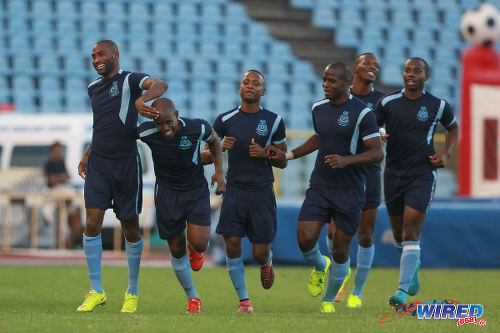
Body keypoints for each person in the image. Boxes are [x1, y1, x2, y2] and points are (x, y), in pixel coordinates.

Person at [267, 62, 384, 314]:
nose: (325, 85)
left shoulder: (363, 113)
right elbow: (319, 138)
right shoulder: (318, 108)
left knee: (341, 249)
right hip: (320, 185)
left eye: (331, 81)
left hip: (351, 189)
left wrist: (347, 160)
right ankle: (321, 266)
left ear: (346, 84)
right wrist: (288, 156)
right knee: (305, 239)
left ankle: (328, 301)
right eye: (324, 79)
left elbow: (377, 152)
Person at [76, 40, 168, 313]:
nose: (96, 59)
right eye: (93, 56)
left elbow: (161, 84)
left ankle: (132, 293)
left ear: (115, 55)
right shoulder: (93, 88)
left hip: (126, 164)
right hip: (99, 164)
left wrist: (142, 100)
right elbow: (103, 125)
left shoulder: (130, 79)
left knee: (130, 228)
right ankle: (96, 290)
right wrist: (87, 153)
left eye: (101, 54)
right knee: (92, 220)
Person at [373, 57, 458, 308]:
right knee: (399, 233)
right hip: (393, 174)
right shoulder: (387, 102)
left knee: (411, 229)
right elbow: (371, 126)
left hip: (422, 174)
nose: (411, 74)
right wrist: (379, 134)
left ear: (426, 76)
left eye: (416, 71)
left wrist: (446, 154)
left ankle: (401, 290)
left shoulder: (438, 105)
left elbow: (453, 128)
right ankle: (412, 266)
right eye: (407, 70)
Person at [204, 70, 287, 313]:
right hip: (235, 191)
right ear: (239, 88)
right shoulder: (224, 120)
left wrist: (266, 154)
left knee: (260, 252)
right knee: (232, 246)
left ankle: (266, 262)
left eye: (256, 83)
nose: (250, 86)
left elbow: (283, 160)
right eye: (245, 82)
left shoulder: (274, 120)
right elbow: (205, 156)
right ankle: (244, 301)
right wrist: (219, 148)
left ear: (263, 91)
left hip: (261, 192)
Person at [137, 98, 225, 313]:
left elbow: (214, 141)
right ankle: (192, 297)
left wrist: (219, 171)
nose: (164, 128)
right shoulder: (147, 131)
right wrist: (89, 152)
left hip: (195, 191)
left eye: (168, 122)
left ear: (176, 114)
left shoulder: (198, 127)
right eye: (159, 124)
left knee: (201, 243)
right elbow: (116, 138)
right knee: (176, 251)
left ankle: (195, 249)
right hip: (167, 194)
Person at [325, 53, 386, 308]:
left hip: (368, 171)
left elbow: (386, 129)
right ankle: (341, 273)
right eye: (367, 63)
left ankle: (357, 292)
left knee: (365, 234)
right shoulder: (338, 97)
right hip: (338, 173)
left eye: (376, 65)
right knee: (331, 230)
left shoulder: (381, 102)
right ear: (354, 69)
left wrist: (383, 134)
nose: (372, 67)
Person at [44, 141, 83, 249]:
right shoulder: (49, 164)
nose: (60, 152)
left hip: (66, 198)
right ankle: (63, 242)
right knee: (60, 220)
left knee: (75, 211)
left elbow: (68, 176)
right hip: (55, 197)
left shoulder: (61, 162)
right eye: (58, 150)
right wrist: (61, 177)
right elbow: (51, 181)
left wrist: (59, 178)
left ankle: (69, 241)